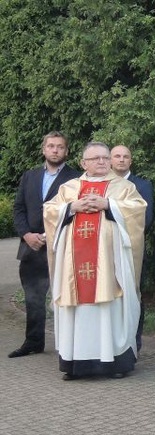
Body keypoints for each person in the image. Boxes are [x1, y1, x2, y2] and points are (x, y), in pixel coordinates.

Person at [43, 142, 146, 380]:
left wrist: (109, 205)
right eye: (95, 158)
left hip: (110, 267)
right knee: (77, 312)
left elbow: (138, 211)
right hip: (73, 268)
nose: (101, 162)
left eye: (104, 158)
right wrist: (71, 207)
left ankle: (115, 364)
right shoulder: (69, 188)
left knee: (108, 309)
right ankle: (75, 364)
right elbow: (49, 211)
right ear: (83, 163)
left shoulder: (123, 187)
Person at [9, 131, 78, 358]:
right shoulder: (30, 176)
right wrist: (26, 234)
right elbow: (19, 209)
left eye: (60, 146)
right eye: (51, 146)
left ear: (66, 151)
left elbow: (75, 214)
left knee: (66, 297)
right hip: (31, 248)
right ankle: (33, 342)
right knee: (34, 298)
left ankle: (68, 345)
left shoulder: (76, 179)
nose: (55, 150)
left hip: (60, 247)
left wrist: (50, 236)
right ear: (44, 149)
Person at [111, 145, 154, 352]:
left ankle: (133, 343)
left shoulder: (142, 185)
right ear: (110, 160)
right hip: (106, 251)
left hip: (131, 250)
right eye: (117, 156)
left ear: (131, 161)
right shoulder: (103, 185)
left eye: (125, 156)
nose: (121, 160)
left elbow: (146, 218)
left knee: (134, 294)